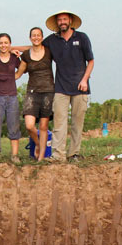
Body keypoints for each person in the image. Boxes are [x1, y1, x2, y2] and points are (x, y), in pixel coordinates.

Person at [42, 10, 94, 162]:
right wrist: (11, 49)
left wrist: (84, 80)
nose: (62, 22)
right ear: (56, 23)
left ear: (70, 21)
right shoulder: (52, 40)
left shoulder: (82, 38)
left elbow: (90, 60)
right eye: (59, 20)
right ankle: (58, 155)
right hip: (60, 87)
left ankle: (74, 154)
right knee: (59, 122)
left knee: (77, 123)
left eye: (65, 19)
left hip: (80, 86)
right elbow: (36, 47)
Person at [16, 27, 54, 161]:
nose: (36, 37)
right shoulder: (26, 55)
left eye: (38, 35)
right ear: (30, 38)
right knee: (29, 125)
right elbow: (18, 74)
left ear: (42, 37)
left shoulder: (49, 52)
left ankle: (41, 157)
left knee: (43, 126)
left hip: (48, 91)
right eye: (33, 35)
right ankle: (37, 144)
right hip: (32, 92)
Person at [0, 33, 22, 163]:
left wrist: (17, 74)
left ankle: (14, 155)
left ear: (10, 44)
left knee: (14, 124)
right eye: (1, 43)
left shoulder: (14, 58)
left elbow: (24, 67)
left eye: (6, 43)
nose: (3, 45)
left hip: (12, 95)